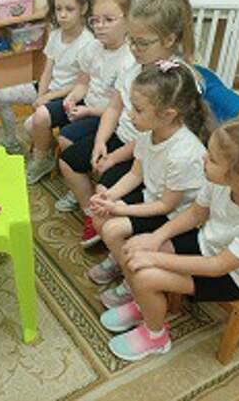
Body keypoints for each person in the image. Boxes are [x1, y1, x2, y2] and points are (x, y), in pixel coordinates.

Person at [100, 121, 239, 362]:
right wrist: (155, 238)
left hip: (237, 277)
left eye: (212, 159)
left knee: (145, 275)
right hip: (208, 245)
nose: (204, 157)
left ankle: (155, 337)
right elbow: (195, 214)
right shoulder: (220, 181)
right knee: (136, 247)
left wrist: (155, 258)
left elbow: (218, 266)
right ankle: (144, 304)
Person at [59, 0, 198, 247]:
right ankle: (92, 213)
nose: (133, 48)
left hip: (143, 151)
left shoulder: (176, 80)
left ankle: (103, 223)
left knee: (106, 190)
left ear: (169, 40)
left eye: (142, 42)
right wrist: (101, 142)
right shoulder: (134, 67)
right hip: (127, 139)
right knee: (69, 160)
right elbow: (114, 107)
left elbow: (154, 137)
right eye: (131, 40)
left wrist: (114, 157)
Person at [87, 60, 210, 308]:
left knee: (112, 228)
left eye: (138, 110)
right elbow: (135, 175)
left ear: (168, 114)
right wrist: (109, 197)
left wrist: (120, 208)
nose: (130, 115)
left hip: (177, 215)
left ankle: (133, 281)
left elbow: (166, 206)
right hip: (153, 200)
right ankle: (121, 260)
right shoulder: (148, 133)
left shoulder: (184, 153)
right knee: (100, 214)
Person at [0, 0, 94, 173]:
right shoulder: (56, 34)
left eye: (69, 9)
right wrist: (41, 95)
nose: (62, 15)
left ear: (83, 9)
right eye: (58, 9)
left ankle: (44, 159)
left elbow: (80, 84)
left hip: (67, 96)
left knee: (30, 125)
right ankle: (11, 142)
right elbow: (47, 70)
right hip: (47, 88)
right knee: (0, 96)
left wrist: (47, 98)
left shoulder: (88, 43)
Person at [53, 0, 136, 212]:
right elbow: (82, 82)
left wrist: (88, 111)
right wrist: (72, 98)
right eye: (95, 20)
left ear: (128, 20)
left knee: (69, 141)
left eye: (108, 20)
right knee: (64, 138)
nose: (99, 26)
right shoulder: (93, 49)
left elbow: (117, 108)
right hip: (94, 108)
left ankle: (84, 187)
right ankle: (82, 189)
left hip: (110, 118)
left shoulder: (129, 59)